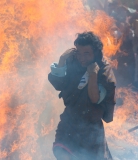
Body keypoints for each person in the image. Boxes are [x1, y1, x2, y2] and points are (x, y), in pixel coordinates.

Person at [48, 32, 116, 160]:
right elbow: (58, 85)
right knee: (62, 154)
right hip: (68, 123)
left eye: (86, 53)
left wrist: (93, 75)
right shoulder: (72, 62)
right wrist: (62, 60)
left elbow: (94, 99)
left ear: (95, 53)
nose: (81, 58)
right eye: (78, 53)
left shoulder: (103, 70)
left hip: (90, 129)